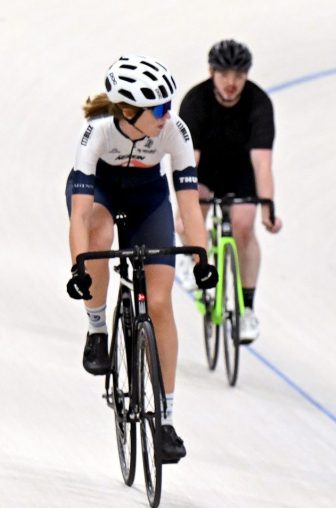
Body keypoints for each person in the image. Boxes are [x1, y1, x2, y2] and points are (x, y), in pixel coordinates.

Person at [66, 55, 214, 463]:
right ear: (129, 113)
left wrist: (202, 258)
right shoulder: (95, 134)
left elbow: (188, 205)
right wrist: (79, 266)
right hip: (102, 196)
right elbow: (79, 214)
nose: (168, 115)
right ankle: (97, 329)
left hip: (149, 200)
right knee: (99, 228)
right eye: (160, 108)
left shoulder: (175, 132)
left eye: (170, 104)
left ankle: (165, 420)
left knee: (161, 304)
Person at [178, 39, 282, 344]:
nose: (231, 83)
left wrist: (268, 209)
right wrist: (184, 213)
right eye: (224, 75)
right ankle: (193, 257)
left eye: (238, 75)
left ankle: (246, 309)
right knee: (191, 212)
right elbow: (188, 163)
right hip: (205, 169)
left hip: (240, 172)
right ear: (212, 72)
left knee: (243, 227)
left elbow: (262, 163)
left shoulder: (259, 103)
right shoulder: (195, 102)